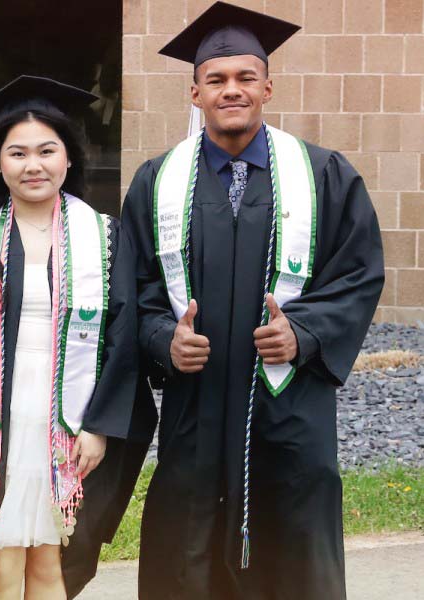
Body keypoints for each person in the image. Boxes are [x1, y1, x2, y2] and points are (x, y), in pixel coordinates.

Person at [120, 3, 385, 598]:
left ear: (268, 85)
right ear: (195, 93)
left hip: (289, 408)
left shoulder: (324, 176)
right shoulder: (157, 182)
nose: (231, 90)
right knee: (187, 544)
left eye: (244, 77)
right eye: (216, 79)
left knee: (291, 537)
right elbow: (132, 290)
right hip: (197, 403)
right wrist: (165, 340)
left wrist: (306, 332)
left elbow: (358, 272)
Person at [0, 76, 156, 599]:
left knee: (57, 555)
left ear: (67, 158)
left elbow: (122, 337)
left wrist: (100, 425)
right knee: (0, 554)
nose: (32, 165)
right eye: (17, 153)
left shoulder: (103, 235)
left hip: (71, 413)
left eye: (46, 151)